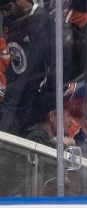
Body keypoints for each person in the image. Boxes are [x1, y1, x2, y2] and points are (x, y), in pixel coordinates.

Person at [0, 0, 54, 135]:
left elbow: (48, 59)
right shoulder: (10, 19)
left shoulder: (43, 19)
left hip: (33, 93)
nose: (7, 13)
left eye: (8, 7)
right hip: (14, 89)